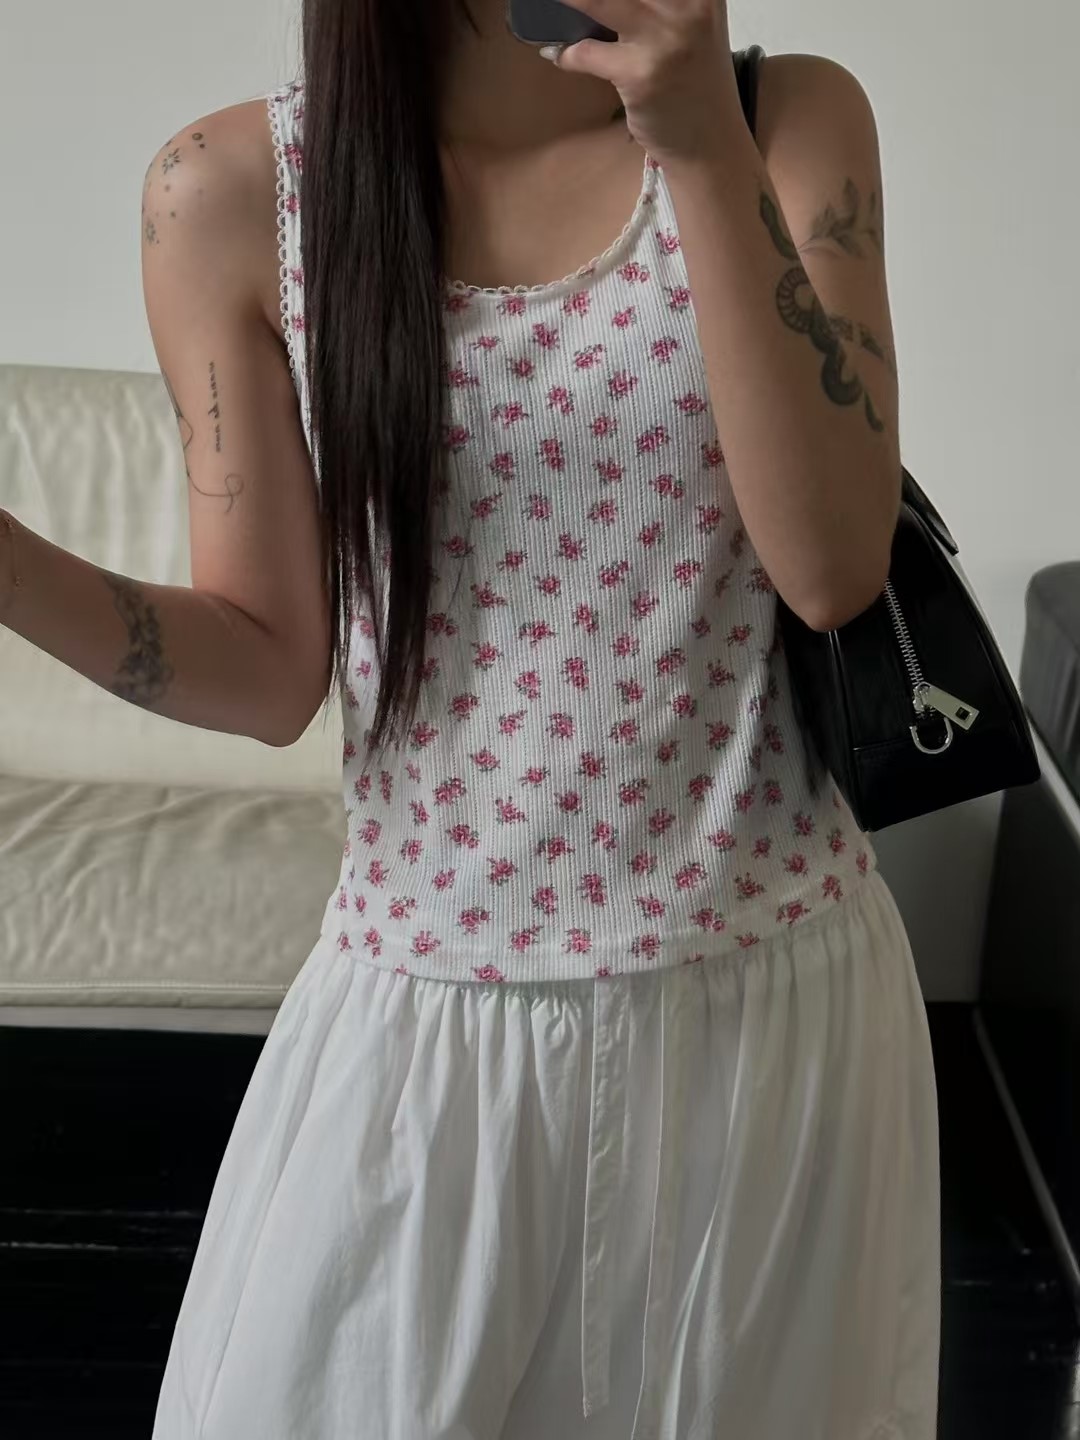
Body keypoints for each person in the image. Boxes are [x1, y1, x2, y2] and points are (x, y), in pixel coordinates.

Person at [0, 0, 941, 1435]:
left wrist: (698, 142)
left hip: (772, 1022)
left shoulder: (792, 120)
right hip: (430, 1028)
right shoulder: (233, 194)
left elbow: (831, 571)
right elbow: (267, 664)